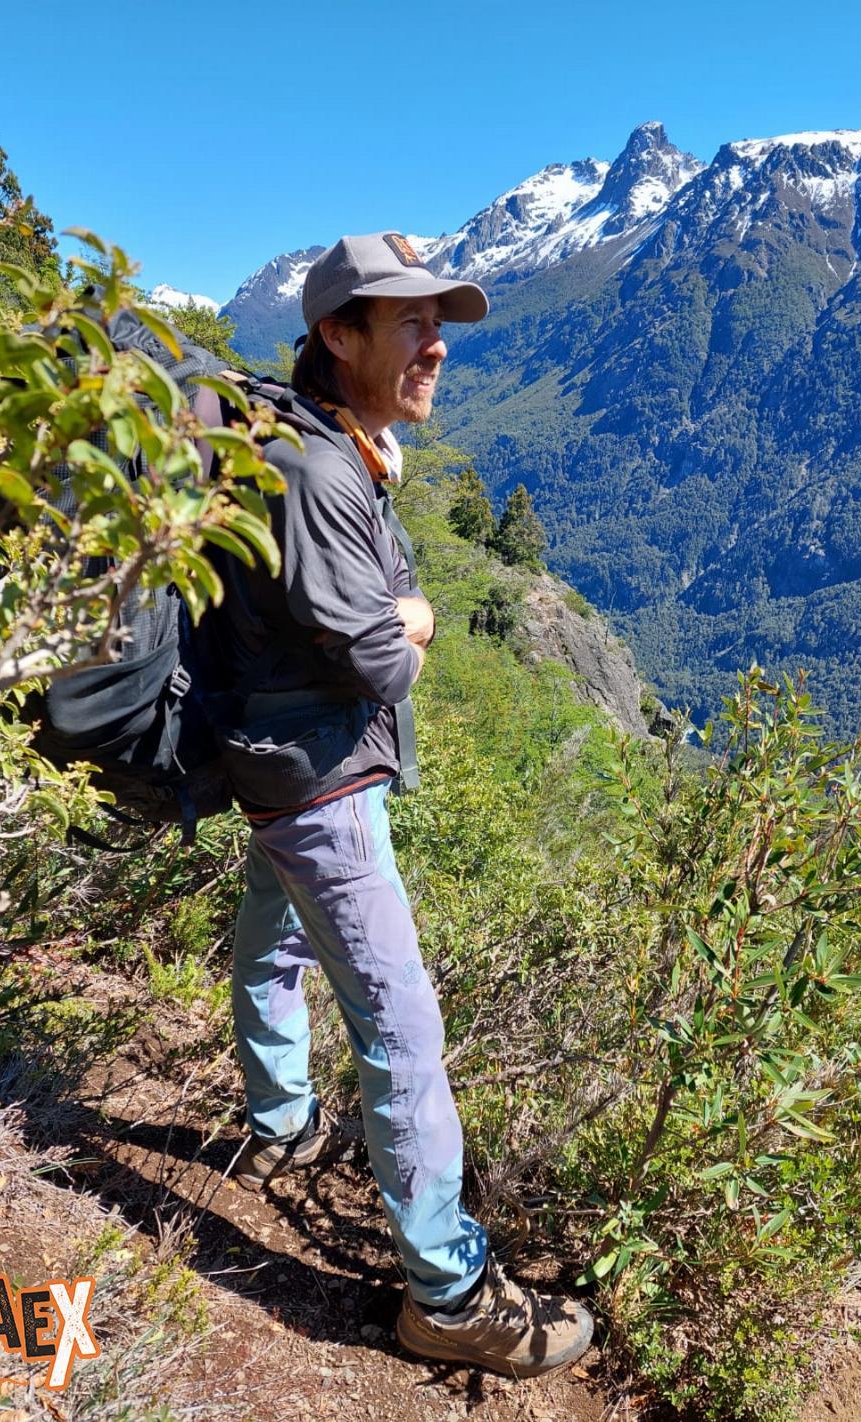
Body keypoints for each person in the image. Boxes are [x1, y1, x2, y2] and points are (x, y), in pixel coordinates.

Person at [206, 233, 593, 1376]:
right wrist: (417, 615)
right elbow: (383, 659)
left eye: (442, 323)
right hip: (320, 784)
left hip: (277, 768)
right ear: (336, 334)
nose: (437, 345)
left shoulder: (327, 440)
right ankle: (449, 1291)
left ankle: (277, 1127)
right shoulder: (321, 471)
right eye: (409, 323)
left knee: (271, 950)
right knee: (402, 1031)